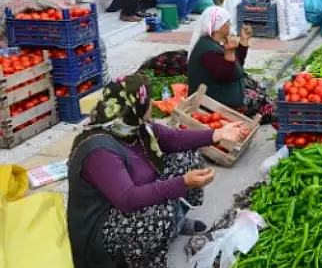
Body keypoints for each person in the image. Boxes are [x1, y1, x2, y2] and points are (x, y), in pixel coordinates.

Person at [67, 74, 248, 268]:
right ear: (133, 106)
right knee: (158, 209)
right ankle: (140, 260)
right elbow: (128, 199)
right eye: (147, 101)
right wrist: (182, 183)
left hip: (127, 199)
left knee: (186, 156)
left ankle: (175, 224)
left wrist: (219, 134)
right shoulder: (99, 150)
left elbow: (176, 139)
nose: (152, 103)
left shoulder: (134, 126)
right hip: (101, 229)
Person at [187, 6, 251, 109]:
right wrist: (229, 53)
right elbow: (226, 76)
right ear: (218, 27)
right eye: (227, 22)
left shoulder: (215, 44)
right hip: (213, 108)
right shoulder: (207, 51)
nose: (230, 24)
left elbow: (237, 67)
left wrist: (243, 41)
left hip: (224, 104)